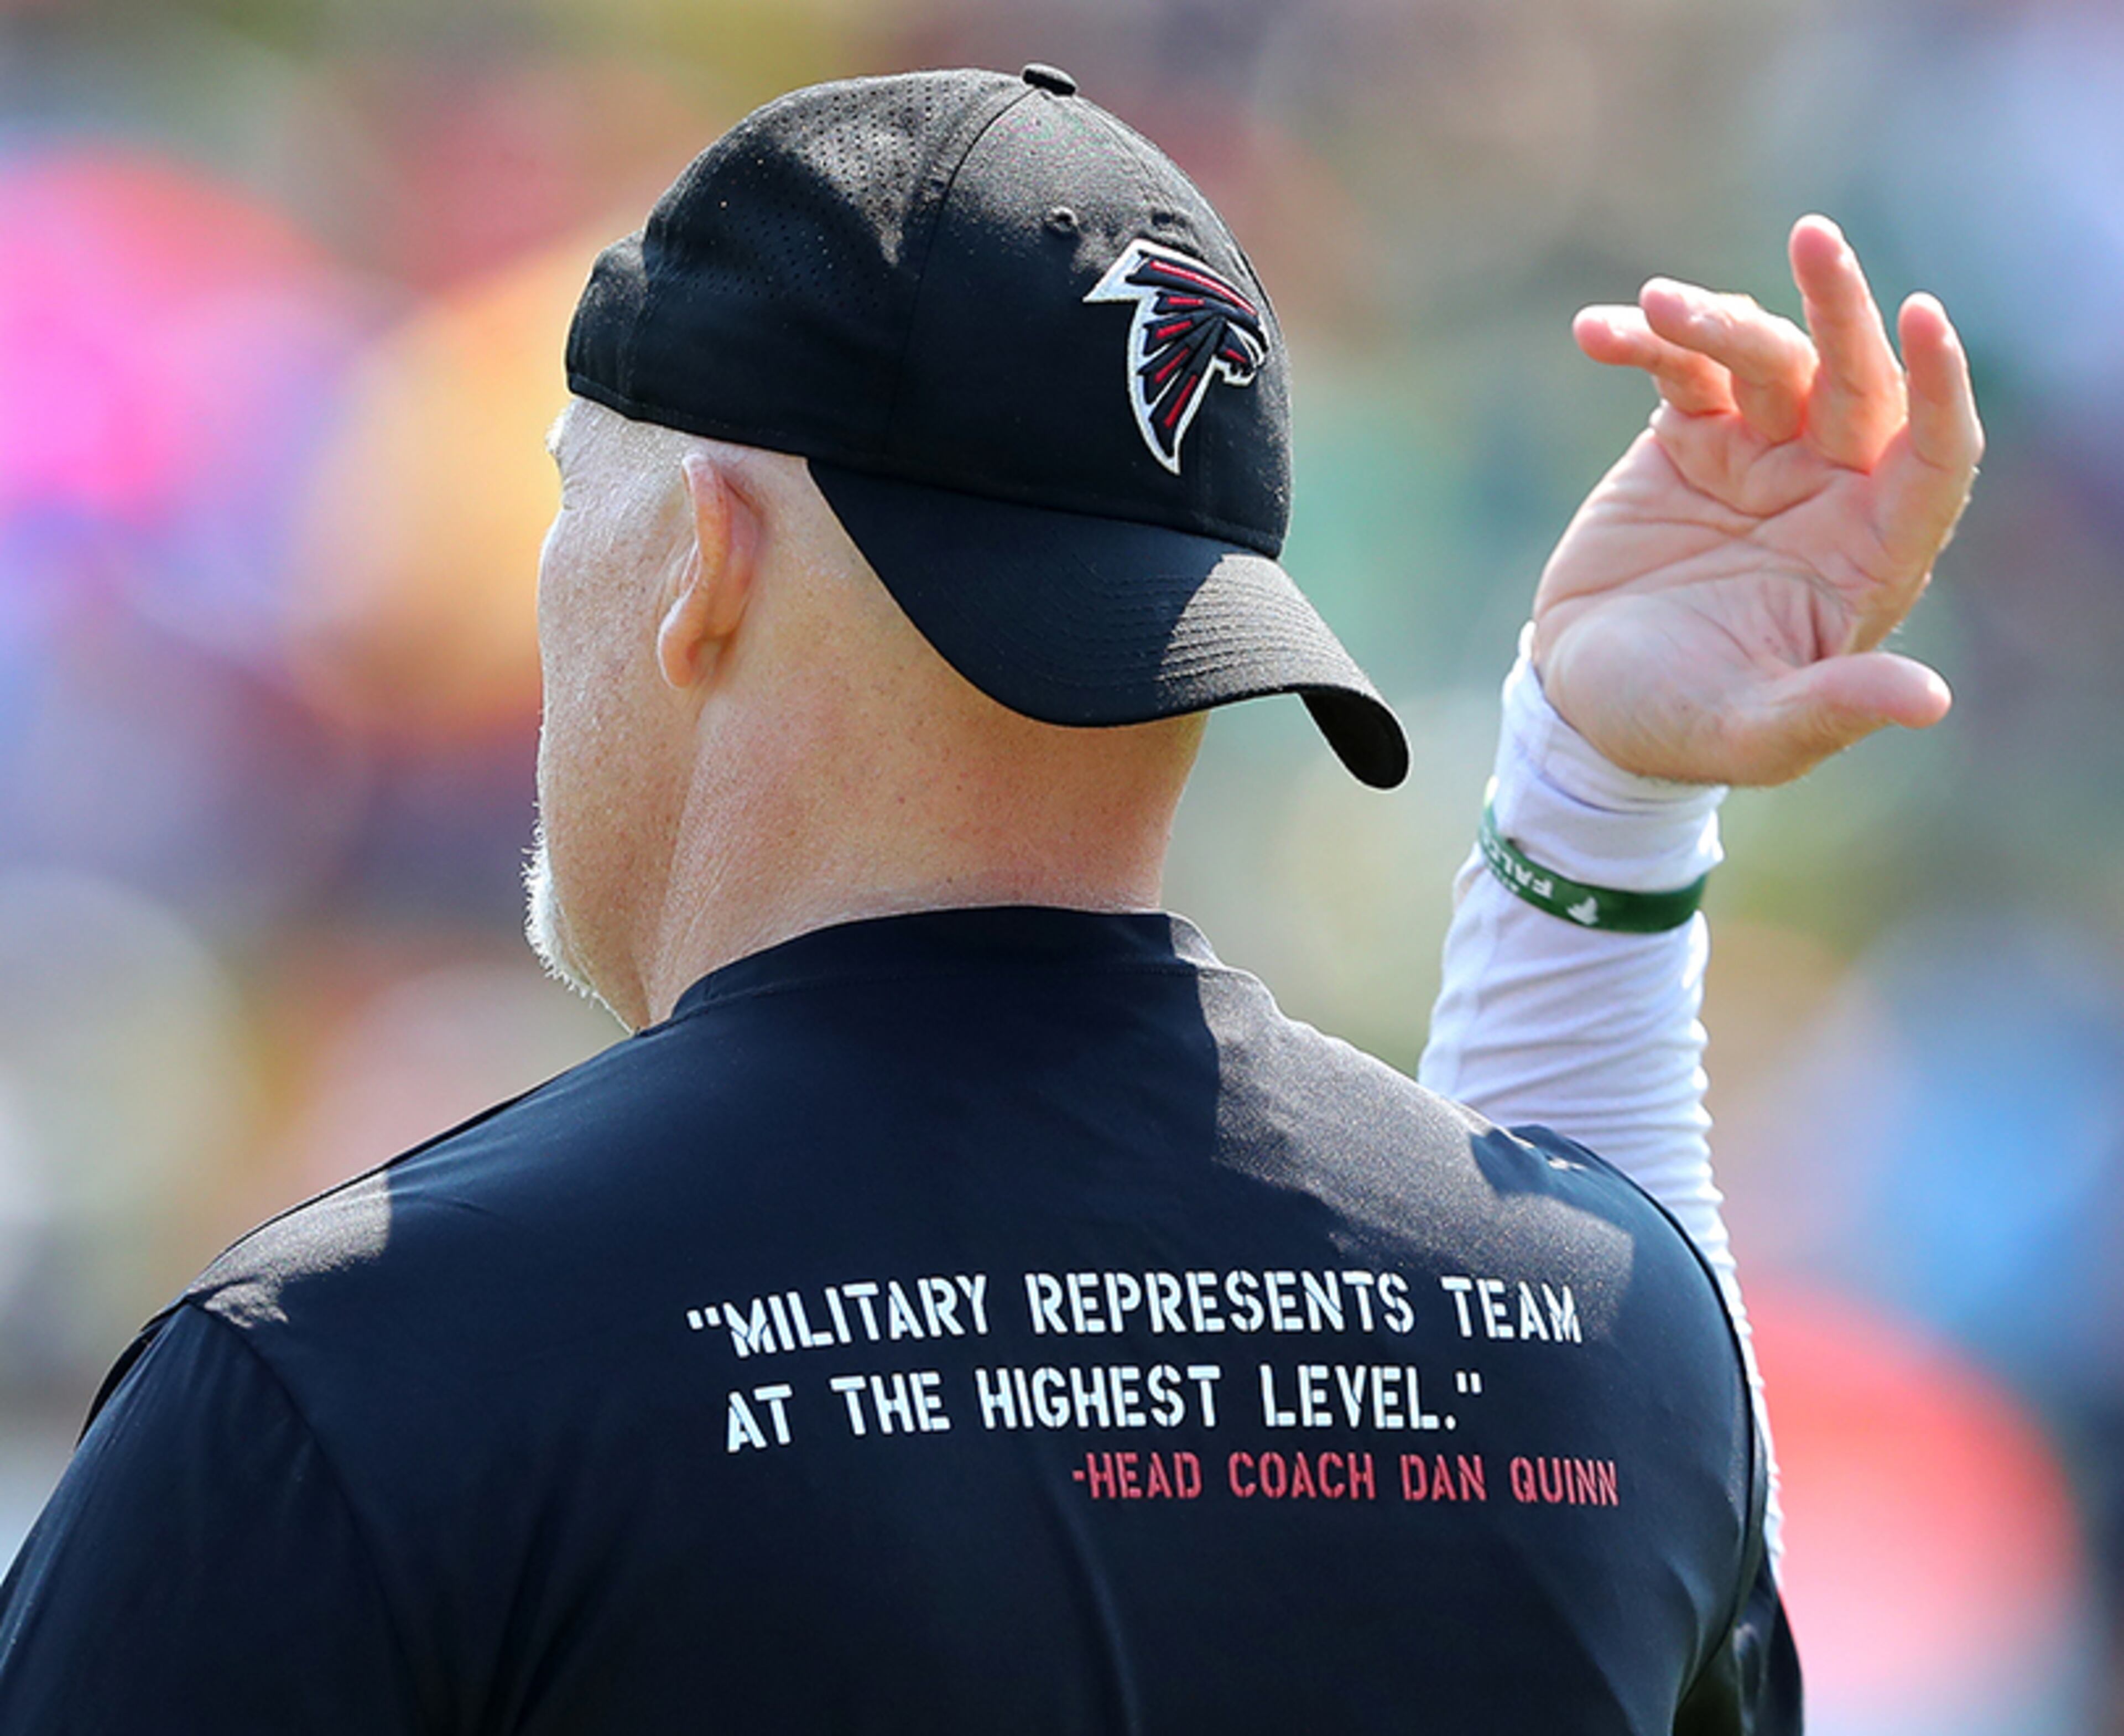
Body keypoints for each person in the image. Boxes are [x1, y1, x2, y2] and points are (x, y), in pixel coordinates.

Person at [0, 65, 1976, 1734]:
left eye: (563, 488)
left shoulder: (342, 1380)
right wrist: (1595, 804)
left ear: (704, 557)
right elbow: (1617, 1389)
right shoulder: (1610, 1351)